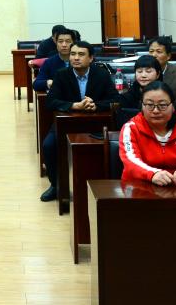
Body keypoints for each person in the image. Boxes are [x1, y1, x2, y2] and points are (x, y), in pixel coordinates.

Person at [40, 41, 119, 202]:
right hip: (66, 123)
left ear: (91, 58)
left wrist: (95, 105)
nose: (76, 58)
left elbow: (115, 99)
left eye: (81, 54)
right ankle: (55, 185)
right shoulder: (62, 74)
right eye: (73, 54)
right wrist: (74, 105)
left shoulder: (101, 74)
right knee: (48, 146)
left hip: (95, 124)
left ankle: (103, 184)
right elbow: (50, 101)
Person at [119, 82, 176, 186]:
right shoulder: (131, 128)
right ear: (142, 106)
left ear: (173, 106)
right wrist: (153, 174)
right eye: (149, 105)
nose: (155, 111)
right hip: (138, 187)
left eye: (162, 105)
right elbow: (130, 161)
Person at [116, 55, 162, 126]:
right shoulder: (126, 98)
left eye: (148, 71)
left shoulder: (166, 95)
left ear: (158, 74)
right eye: (139, 71)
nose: (143, 75)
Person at [33, 28, 76, 93]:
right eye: (60, 41)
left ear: (73, 43)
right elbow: (36, 84)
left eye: (68, 41)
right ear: (56, 43)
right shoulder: (49, 62)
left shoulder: (79, 60)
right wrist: (48, 82)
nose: (64, 45)